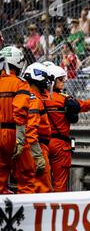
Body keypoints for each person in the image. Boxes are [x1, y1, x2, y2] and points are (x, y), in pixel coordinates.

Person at [44, 64, 90, 192]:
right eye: (61, 79)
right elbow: (85, 106)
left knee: (42, 182)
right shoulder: (64, 100)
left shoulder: (38, 98)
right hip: (60, 146)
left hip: (42, 144)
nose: (64, 82)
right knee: (60, 184)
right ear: (52, 80)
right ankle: (58, 209)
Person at [0, 47, 39, 194]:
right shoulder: (20, 83)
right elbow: (20, 110)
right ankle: (26, 214)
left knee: (1, 176)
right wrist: (20, 139)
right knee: (27, 176)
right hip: (14, 133)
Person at [22, 62, 53, 193]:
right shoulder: (34, 98)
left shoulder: (25, 94)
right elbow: (31, 129)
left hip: (27, 146)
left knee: (27, 186)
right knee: (43, 189)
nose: (47, 83)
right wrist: (38, 155)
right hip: (36, 147)